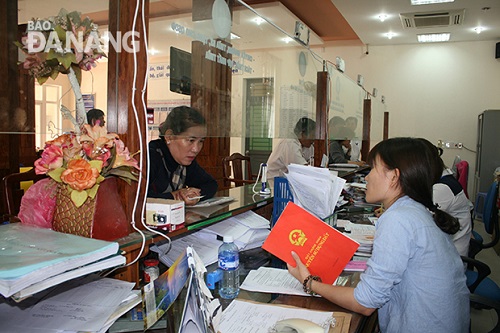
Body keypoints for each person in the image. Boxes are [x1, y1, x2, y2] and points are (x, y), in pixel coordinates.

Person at [288, 137, 469, 333]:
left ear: (394, 176)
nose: (366, 177)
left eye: (372, 168)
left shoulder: (398, 219)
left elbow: (365, 304)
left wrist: (309, 282)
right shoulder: (414, 210)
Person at [148, 106, 217, 206]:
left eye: (201, 141)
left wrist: (193, 195)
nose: (196, 149)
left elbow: (211, 184)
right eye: (191, 140)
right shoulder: (151, 157)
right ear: (169, 136)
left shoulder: (185, 161)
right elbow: (140, 199)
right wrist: (176, 196)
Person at [420, 138, 473, 256]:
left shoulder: (442, 189)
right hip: (444, 248)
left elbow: (419, 225)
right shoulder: (443, 179)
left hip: (450, 257)